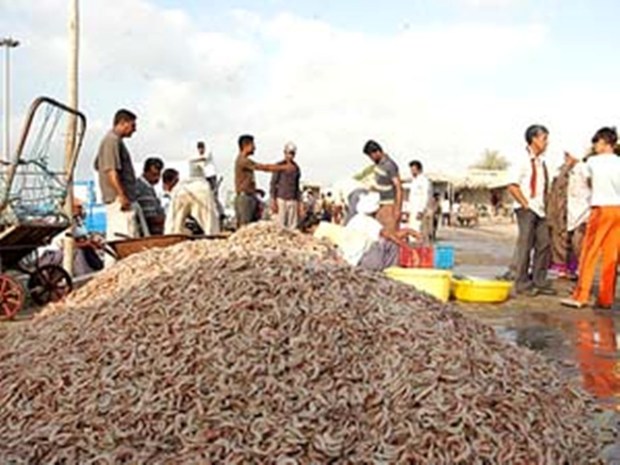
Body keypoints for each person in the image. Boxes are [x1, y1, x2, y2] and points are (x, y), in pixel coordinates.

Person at [562, 127, 620, 309]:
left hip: (601, 208)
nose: (594, 146)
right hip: (618, 210)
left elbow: (585, 177)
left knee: (590, 253)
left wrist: (574, 162)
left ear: (603, 143)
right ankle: (606, 298)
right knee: (611, 256)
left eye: (596, 143)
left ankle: (581, 295)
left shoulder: (593, 162)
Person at [314, 192, 420, 271]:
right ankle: (393, 272)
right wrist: (409, 248)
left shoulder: (355, 219)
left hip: (354, 260)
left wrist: (407, 231)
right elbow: (390, 236)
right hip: (367, 258)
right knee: (393, 246)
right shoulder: (369, 221)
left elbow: (389, 235)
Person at [507, 124, 555, 296]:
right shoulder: (521, 159)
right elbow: (512, 186)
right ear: (534, 139)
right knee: (525, 245)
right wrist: (525, 204)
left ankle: (539, 280)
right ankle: (521, 283)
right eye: (544, 139)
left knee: (544, 243)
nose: (547, 143)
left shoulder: (542, 162)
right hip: (526, 208)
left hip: (540, 209)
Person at [94, 109, 148, 245]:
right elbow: (110, 170)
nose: (134, 130)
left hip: (120, 198)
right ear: (123, 123)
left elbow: (97, 164)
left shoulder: (115, 141)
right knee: (123, 238)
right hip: (118, 200)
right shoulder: (111, 140)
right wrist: (121, 195)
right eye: (132, 125)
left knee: (125, 238)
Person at [234, 134, 294, 228]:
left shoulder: (244, 161)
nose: (255, 148)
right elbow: (263, 167)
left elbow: (244, 182)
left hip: (249, 195)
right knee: (245, 228)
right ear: (246, 145)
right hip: (245, 199)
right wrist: (282, 168)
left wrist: (255, 190)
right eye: (253, 145)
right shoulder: (243, 160)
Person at [363, 140, 403, 231]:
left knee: (390, 236)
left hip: (389, 206)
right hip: (380, 205)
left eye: (371, 156)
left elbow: (398, 187)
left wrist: (397, 209)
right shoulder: (378, 165)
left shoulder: (389, 165)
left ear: (377, 152)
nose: (370, 158)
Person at [546, 153, 573, 278]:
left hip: (568, 211)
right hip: (557, 211)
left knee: (567, 240)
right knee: (557, 238)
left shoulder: (577, 171)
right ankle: (560, 267)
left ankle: (567, 267)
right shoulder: (561, 171)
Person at [566, 154, 591, 277]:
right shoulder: (568, 170)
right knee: (571, 241)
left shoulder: (584, 168)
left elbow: (591, 183)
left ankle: (582, 268)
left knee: (579, 241)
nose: (566, 158)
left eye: (568, 155)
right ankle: (573, 269)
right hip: (571, 211)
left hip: (583, 210)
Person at [270, 142, 302, 229]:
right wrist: (273, 200)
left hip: (292, 200)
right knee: (280, 226)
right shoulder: (279, 165)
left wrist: (299, 203)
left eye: (292, 153)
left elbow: (297, 186)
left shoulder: (296, 168)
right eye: (289, 153)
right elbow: (273, 183)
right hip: (281, 199)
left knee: (292, 227)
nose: (290, 155)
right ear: (285, 152)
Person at [136, 157, 165, 235]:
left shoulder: (151, 188)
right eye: (154, 175)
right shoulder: (138, 187)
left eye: (159, 175)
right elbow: (146, 216)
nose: (157, 178)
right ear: (146, 172)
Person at [407, 160, 432, 239]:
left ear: (419, 169)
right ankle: (413, 249)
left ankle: (418, 249)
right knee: (412, 230)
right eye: (411, 170)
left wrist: (421, 210)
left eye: (414, 170)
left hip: (419, 210)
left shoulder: (424, 181)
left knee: (417, 230)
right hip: (412, 210)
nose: (412, 171)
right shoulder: (414, 181)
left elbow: (425, 196)